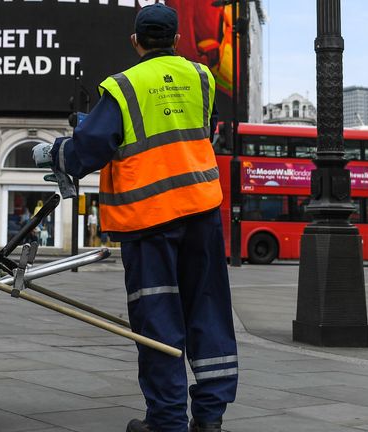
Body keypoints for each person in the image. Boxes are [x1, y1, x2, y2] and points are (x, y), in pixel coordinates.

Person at [44, 4, 237, 432]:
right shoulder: (202, 78)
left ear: (136, 41)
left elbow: (89, 149)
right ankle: (210, 417)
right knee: (209, 312)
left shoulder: (123, 86)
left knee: (159, 320)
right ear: (177, 40)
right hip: (202, 214)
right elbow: (197, 129)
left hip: (149, 222)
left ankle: (167, 421)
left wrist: (58, 151)